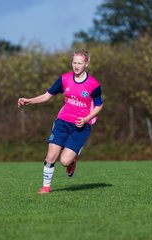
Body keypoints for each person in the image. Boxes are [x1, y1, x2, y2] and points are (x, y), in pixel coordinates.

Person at [17, 49, 103, 194]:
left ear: (86, 64)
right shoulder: (64, 79)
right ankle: (45, 187)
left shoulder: (93, 85)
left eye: (80, 63)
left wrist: (86, 119)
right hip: (62, 122)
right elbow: (47, 96)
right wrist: (29, 101)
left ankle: (72, 160)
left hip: (80, 126)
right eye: (74, 62)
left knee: (64, 161)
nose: (76, 66)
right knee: (51, 156)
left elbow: (99, 105)